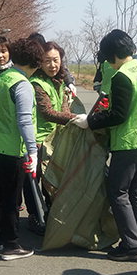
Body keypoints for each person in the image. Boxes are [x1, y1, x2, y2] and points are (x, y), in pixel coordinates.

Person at [80, 29, 137, 262]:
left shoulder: (122, 76)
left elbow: (118, 115)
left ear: (112, 55)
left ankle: (132, 245)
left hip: (130, 142)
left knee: (118, 192)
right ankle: (136, 238)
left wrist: (90, 121)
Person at [0, 37, 43, 261]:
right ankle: (11, 245)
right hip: (10, 149)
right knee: (11, 199)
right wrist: (33, 152)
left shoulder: (2, 78)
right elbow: (25, 120)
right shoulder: (22, 84)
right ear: (34, 63)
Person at [23, 41, 87, 233]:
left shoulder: (58, 81)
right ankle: (35, 216)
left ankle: (50, 213)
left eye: (56, 60)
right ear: (40, 63)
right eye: (47, 61)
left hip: (57, 140)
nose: (52, 65)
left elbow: (62, 107)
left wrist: (69, 113)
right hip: (40, 140)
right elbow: (47, 112)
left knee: (53, 180)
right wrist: (76, 118)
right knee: (37, 181)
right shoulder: (36, 83)